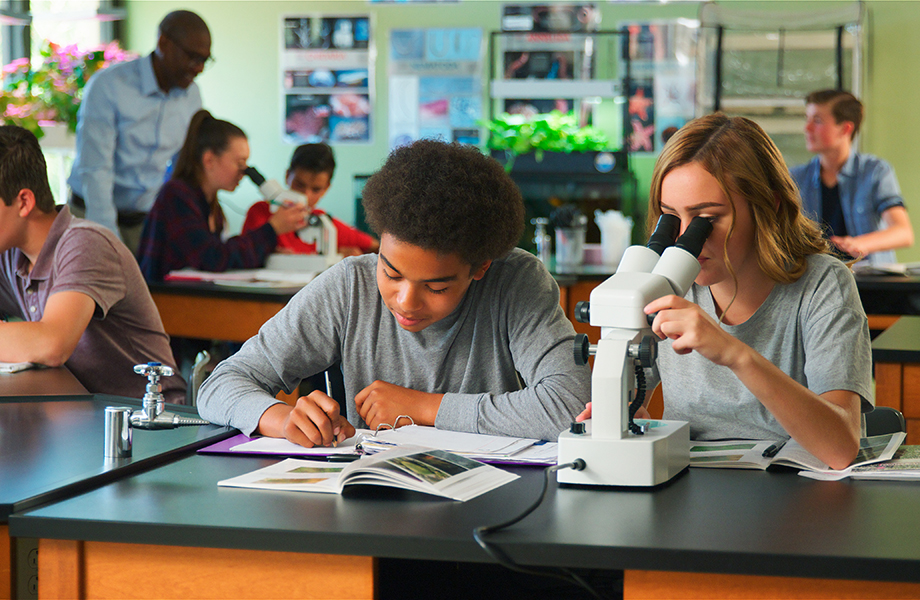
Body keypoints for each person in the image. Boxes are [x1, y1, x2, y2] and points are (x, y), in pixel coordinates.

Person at [197, 139, 590, 445]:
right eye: (391, 272)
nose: (406, 302)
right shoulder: (351, 285)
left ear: (480, 267)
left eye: (436, 286)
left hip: (488, 511)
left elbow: (571, 404)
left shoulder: (516, 282)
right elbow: (222, 384)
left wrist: (421, 406)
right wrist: (283, 420)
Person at [578, 113, 872, 471]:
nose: (687, 239)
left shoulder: (823, 285)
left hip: (795, 495)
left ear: (769, 207)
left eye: (708, 219)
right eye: (672, 217)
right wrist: (624, 413)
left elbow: (840, 448)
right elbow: (633, 394)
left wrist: (735, 355)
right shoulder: (662, 283)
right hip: (689, 487)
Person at [0, 125, 185, 402]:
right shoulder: (12, 254)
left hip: (147, 423)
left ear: (24, 202)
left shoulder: (86, 243)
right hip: (78, 412)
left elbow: (52, 343)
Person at [67, 10, 212, 254]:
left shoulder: (192, 96)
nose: (198, 68)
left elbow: (182, 166)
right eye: (191, 57)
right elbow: (96, 169)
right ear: (163, 43)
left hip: (144, 221)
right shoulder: (109, 86)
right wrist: (109, 239)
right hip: (91, 213)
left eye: (204, 60)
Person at [137, 110, 308, 282]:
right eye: (240, 163)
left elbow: (220, 253)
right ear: (209, 160)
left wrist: (266, 252)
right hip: (164, 299)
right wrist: (272, 228)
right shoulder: (176, 195)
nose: (244, 172)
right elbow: (212, 258)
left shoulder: (210, 204)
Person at [790, 89, 913, 264]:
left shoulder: (875, 171)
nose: (807, 128)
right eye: (806, 119)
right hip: (818, 283)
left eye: (817, 120)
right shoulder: (795, 177)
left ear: (845, 128)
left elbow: (903, 233)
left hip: (868, 283)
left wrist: (858, 244)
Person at [242, 143, 379, 256]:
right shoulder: (260, 213)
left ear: (326, 188)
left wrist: (352, 257)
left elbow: (377, 246)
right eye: (300, 185)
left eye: (316, 189)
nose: (306, 196)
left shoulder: (322, 221)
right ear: (287, 175)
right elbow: (245, 255)